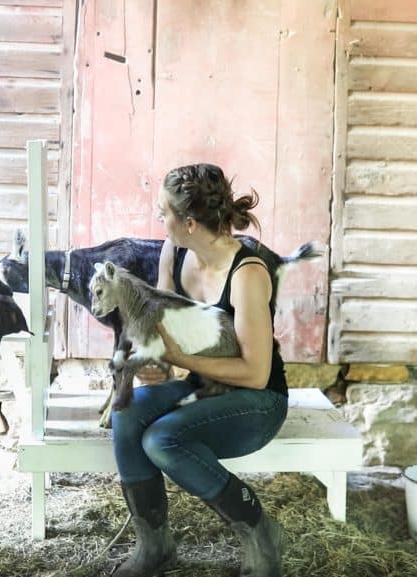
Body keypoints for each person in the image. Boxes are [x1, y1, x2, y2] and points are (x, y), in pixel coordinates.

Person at [110, 163, 289, 577]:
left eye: (163, 212)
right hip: (201, 385)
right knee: (127, 410)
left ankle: (262, 532)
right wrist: (153, 365)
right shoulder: (174, 253)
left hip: (256, 401)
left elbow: (256, 373)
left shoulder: (248, 273)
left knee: (162, 438)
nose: (159, 219)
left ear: (189, 222)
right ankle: (154, 546)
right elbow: (162, 329)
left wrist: (179, 359)